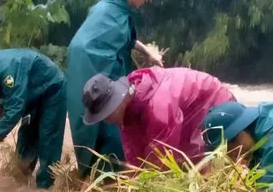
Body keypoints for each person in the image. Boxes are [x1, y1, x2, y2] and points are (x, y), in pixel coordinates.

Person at [65, 0, 165, 178]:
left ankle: (106, 173)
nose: (146, 0)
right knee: (106, 117)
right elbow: (97, 41)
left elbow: (123, 36)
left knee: (111, 114)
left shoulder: (116, 7)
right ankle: (105, 178)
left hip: (100, 63)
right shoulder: (108, 9)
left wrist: (147, 51)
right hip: (89, 63)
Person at [81, 67, 235, 169]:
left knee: (202, 166)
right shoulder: (127, 103)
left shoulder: (158, 108)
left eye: (107, 114)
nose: (106, 120)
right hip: (184, 108)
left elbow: (161, 163)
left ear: (117, 102)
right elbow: (135, 152)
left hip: (214, 104)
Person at [0, 49, 67, 190]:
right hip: (31, 94)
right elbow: (4, 95)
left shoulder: (8, 70)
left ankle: (46, 187)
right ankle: (21, 178)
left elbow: (15, 108)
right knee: (26, 135)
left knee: (48, 137)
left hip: (52, 89)